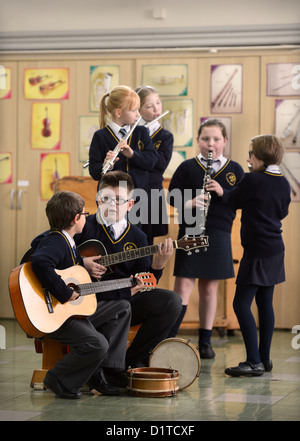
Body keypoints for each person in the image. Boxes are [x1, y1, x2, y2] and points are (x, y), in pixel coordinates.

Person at [74, 170, 182, 371]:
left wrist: (158, 266)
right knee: (121, 304)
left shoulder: (139, 237)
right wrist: (82, 263)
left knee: (171, 301)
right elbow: (53, 253)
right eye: (107, 198)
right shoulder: (81, 227)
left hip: (124, 297)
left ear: (130, 204)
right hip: (87, 299)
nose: (113, 204)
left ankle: (131, 362)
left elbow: (145, 282)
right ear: (98, 200)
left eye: (119, 200)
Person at [30, 191, 131, 398]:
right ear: (76, 219)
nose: (86, 217)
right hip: (56, 315)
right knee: (98, 344)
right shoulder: (58, 242)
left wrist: (129, 285)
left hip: (68, 311)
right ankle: (58, 378)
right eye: (85, 214)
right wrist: (65, 293)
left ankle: (107, 368)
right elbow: (40, 261)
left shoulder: (67, 240)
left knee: (122, 306)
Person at [167, 118, 244, 359]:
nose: (211, 144)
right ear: (198, 141)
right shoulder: (187, 167)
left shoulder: (234, 170)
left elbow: (241, 200)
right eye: (205, 139)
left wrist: (223, 192)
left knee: (210, 289)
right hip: (190, 232)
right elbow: (171, 197)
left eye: (216, 139)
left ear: (225, 141)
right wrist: (189, 202)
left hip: (219, 233)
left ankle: (206, 340)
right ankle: (170, 336)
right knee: (182, 286)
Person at [224, 135, 291, 377]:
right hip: (275, 248)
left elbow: (232, 200)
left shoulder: (252, 179)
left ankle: (253, 361)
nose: (248, 159)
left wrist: (222, 189)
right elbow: (281, 212)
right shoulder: (283, 182)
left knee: (240, 304)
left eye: (251, 154)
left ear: (259, 157)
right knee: (264, 303)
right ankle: (265, 358)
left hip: (256, 251)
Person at [88, 85, 158, 195]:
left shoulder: (141, 132)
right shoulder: (100, 136)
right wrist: (106, 165)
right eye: (133, 110)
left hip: (139, 197)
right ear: (119, 113)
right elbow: (94, 172)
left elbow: (152, 161)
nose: (138, 114)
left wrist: (132, 155)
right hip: (110, 197)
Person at [135, 85, 173, 244]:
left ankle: (147, 270)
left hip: (151, 192)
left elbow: (160, 164)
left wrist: (136, 156)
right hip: (132, 189)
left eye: (158, 103)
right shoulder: (130, 132)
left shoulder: (165, 136)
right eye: (149, 106)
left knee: (147, 241)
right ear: (138, 110)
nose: (156, 109)